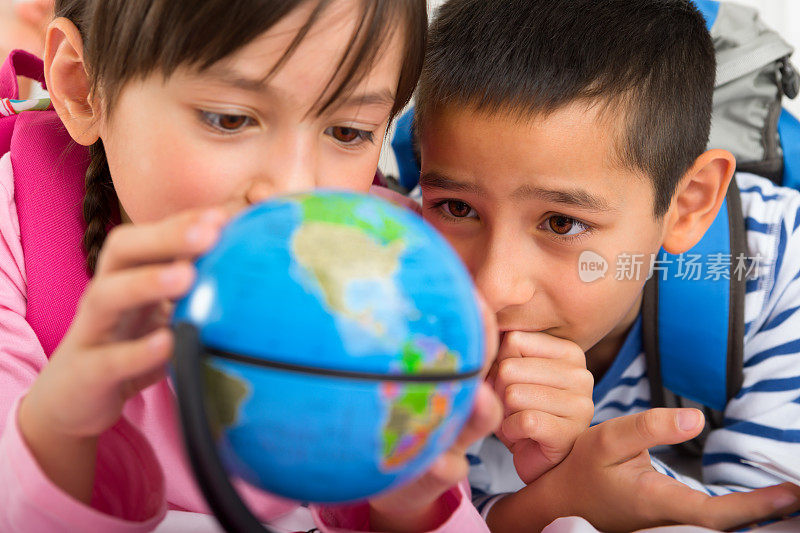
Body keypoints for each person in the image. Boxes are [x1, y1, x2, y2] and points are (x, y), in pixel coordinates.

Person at [0, 1, 510, 531]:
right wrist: (60, 428)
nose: (291, 190)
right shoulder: (16, 239)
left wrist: (408, 509)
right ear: (84, 88)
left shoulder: (390, 275)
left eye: (347, 132)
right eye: (231, 118)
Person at [414, 0, 800, 531]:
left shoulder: (776, 264)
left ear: (688, 204)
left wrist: (590, 475)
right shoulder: (394, 275)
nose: (494, 288)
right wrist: (555, 502)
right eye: (457, 209)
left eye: (561, 223)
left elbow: (769, 511)